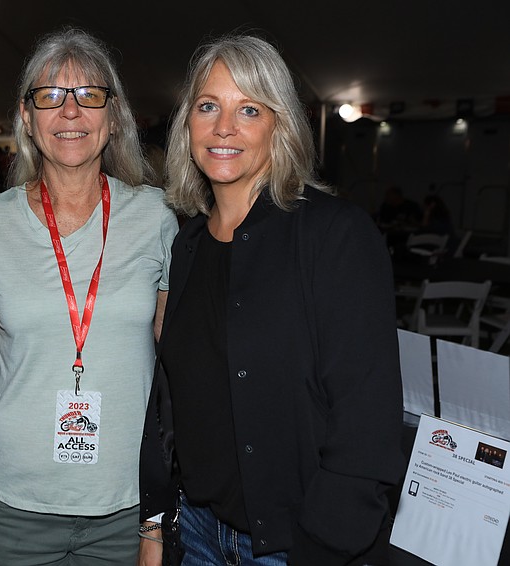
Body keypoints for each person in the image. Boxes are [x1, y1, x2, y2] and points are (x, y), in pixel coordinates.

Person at [138, 34, 404, 566]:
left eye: (250, 109)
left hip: (297, 546)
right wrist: (157, 523)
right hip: (195, 534)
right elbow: (174, 406)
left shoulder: (334, 236)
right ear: (186, 124)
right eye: (208, 106)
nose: (224, 128)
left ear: (279, 125)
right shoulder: (186, 245)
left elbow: (366, 425)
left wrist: (320, 546)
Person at [0, 28, 177, 565]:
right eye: (50, 96)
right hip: (13, 504)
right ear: (27, 118)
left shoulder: (156, 217)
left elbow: (179, 366)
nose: (70, 111)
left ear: (114, 115)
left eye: (88, 95)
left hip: (126, 506)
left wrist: (158, 514)